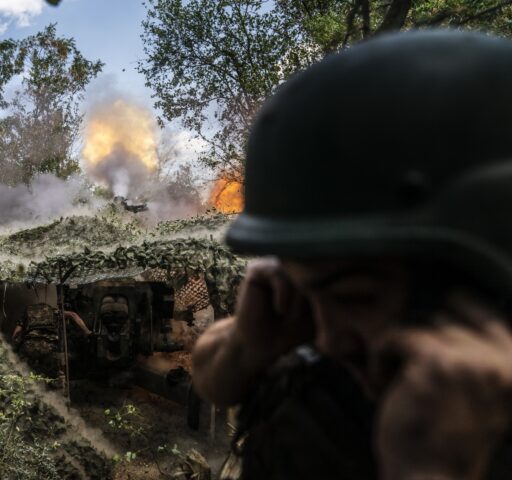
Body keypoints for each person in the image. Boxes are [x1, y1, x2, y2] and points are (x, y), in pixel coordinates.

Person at [193, 30, 512, 480]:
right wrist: (245, 346)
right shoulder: (345, 353)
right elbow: (212, 372)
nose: (324, 339)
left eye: (355, 297)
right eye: (305, 294)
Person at [12, 303, 91, 379]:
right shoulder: (53, 311)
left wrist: (14, 347)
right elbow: (73, 314)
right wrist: (86, 331)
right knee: (52, 370)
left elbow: (16, 333)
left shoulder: (27, 313)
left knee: (26, 369)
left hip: (30, 346)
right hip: (49, 346)